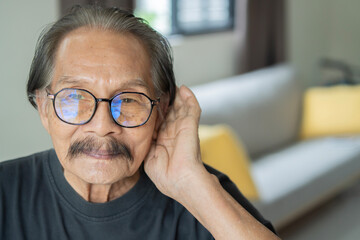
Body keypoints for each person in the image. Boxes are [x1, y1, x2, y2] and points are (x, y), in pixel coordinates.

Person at [0, 5, 280, 240]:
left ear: (161, 111)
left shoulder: (202, 193)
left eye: (130, 100)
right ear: (44, 108)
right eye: (75, 96)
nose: (102, 125)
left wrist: (190, 185)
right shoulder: (6, 191)